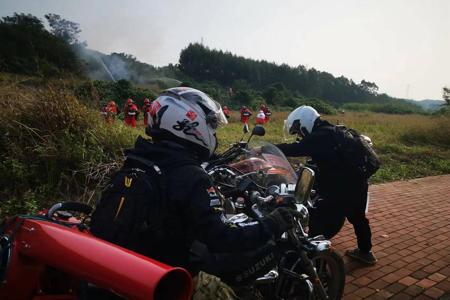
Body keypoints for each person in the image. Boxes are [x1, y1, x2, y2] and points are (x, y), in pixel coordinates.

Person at [93, 87, 300, 299]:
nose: (213, 132)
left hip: (128, 268)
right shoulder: (190, 176)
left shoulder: (139, 158)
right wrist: (272, 224)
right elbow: (221, 237)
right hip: (170, 279)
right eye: (211, 125)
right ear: (187, 123)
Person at [276, 105, 377, 265]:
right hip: (357, 181)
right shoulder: (333, 130)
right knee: (358, 219)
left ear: (305, 122)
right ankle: (366, 252)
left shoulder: (320, 136)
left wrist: (272, 148)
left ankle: (317, 262)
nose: (299, 135)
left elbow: (296, 149)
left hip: (340, 187)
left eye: (298, 130)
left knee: (319, 221)